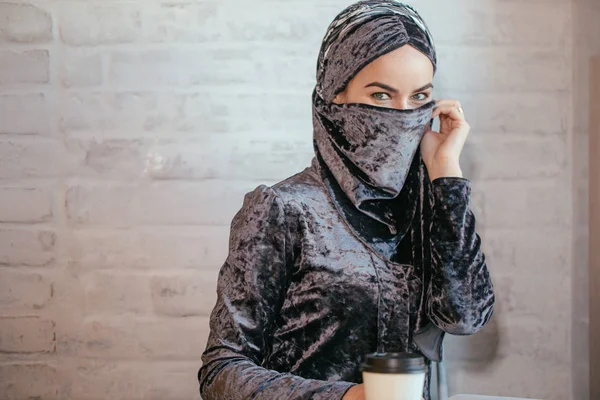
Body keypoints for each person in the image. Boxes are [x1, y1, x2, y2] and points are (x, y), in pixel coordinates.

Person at [197, 1, 495, 399]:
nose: (403, 116)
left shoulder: (429, 210)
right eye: (381, 96)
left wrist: (446, 174)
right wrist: (348, 397)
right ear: (335, 99)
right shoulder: (284, 208)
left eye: (419, 96)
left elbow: (466, 317)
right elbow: (221, 372)